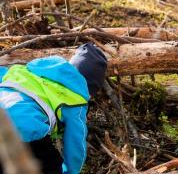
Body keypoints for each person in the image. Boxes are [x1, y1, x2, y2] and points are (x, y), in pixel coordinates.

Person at [0, 43, 108, 174]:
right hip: (25, 130)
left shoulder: (30, 71)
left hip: (3, 116)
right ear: (89, 87)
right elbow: (75, 144)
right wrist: (71, 171)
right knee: (51, 166)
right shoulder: (76, 101)